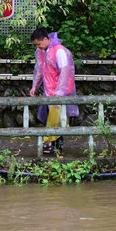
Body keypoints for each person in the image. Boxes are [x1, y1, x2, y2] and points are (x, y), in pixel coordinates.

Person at [29, 27, 78, 155]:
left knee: (58, 118)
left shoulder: (59, 51)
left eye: (39, 44)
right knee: (51, 118)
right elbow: (39, 70)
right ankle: (53, 145)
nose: (38, 47)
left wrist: (60, 91)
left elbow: (65, 71)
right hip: (48, 90)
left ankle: (54, 145)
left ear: (45, 39)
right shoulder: (41, 52)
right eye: (36, 45)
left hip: (59, 91)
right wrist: (35, 86)